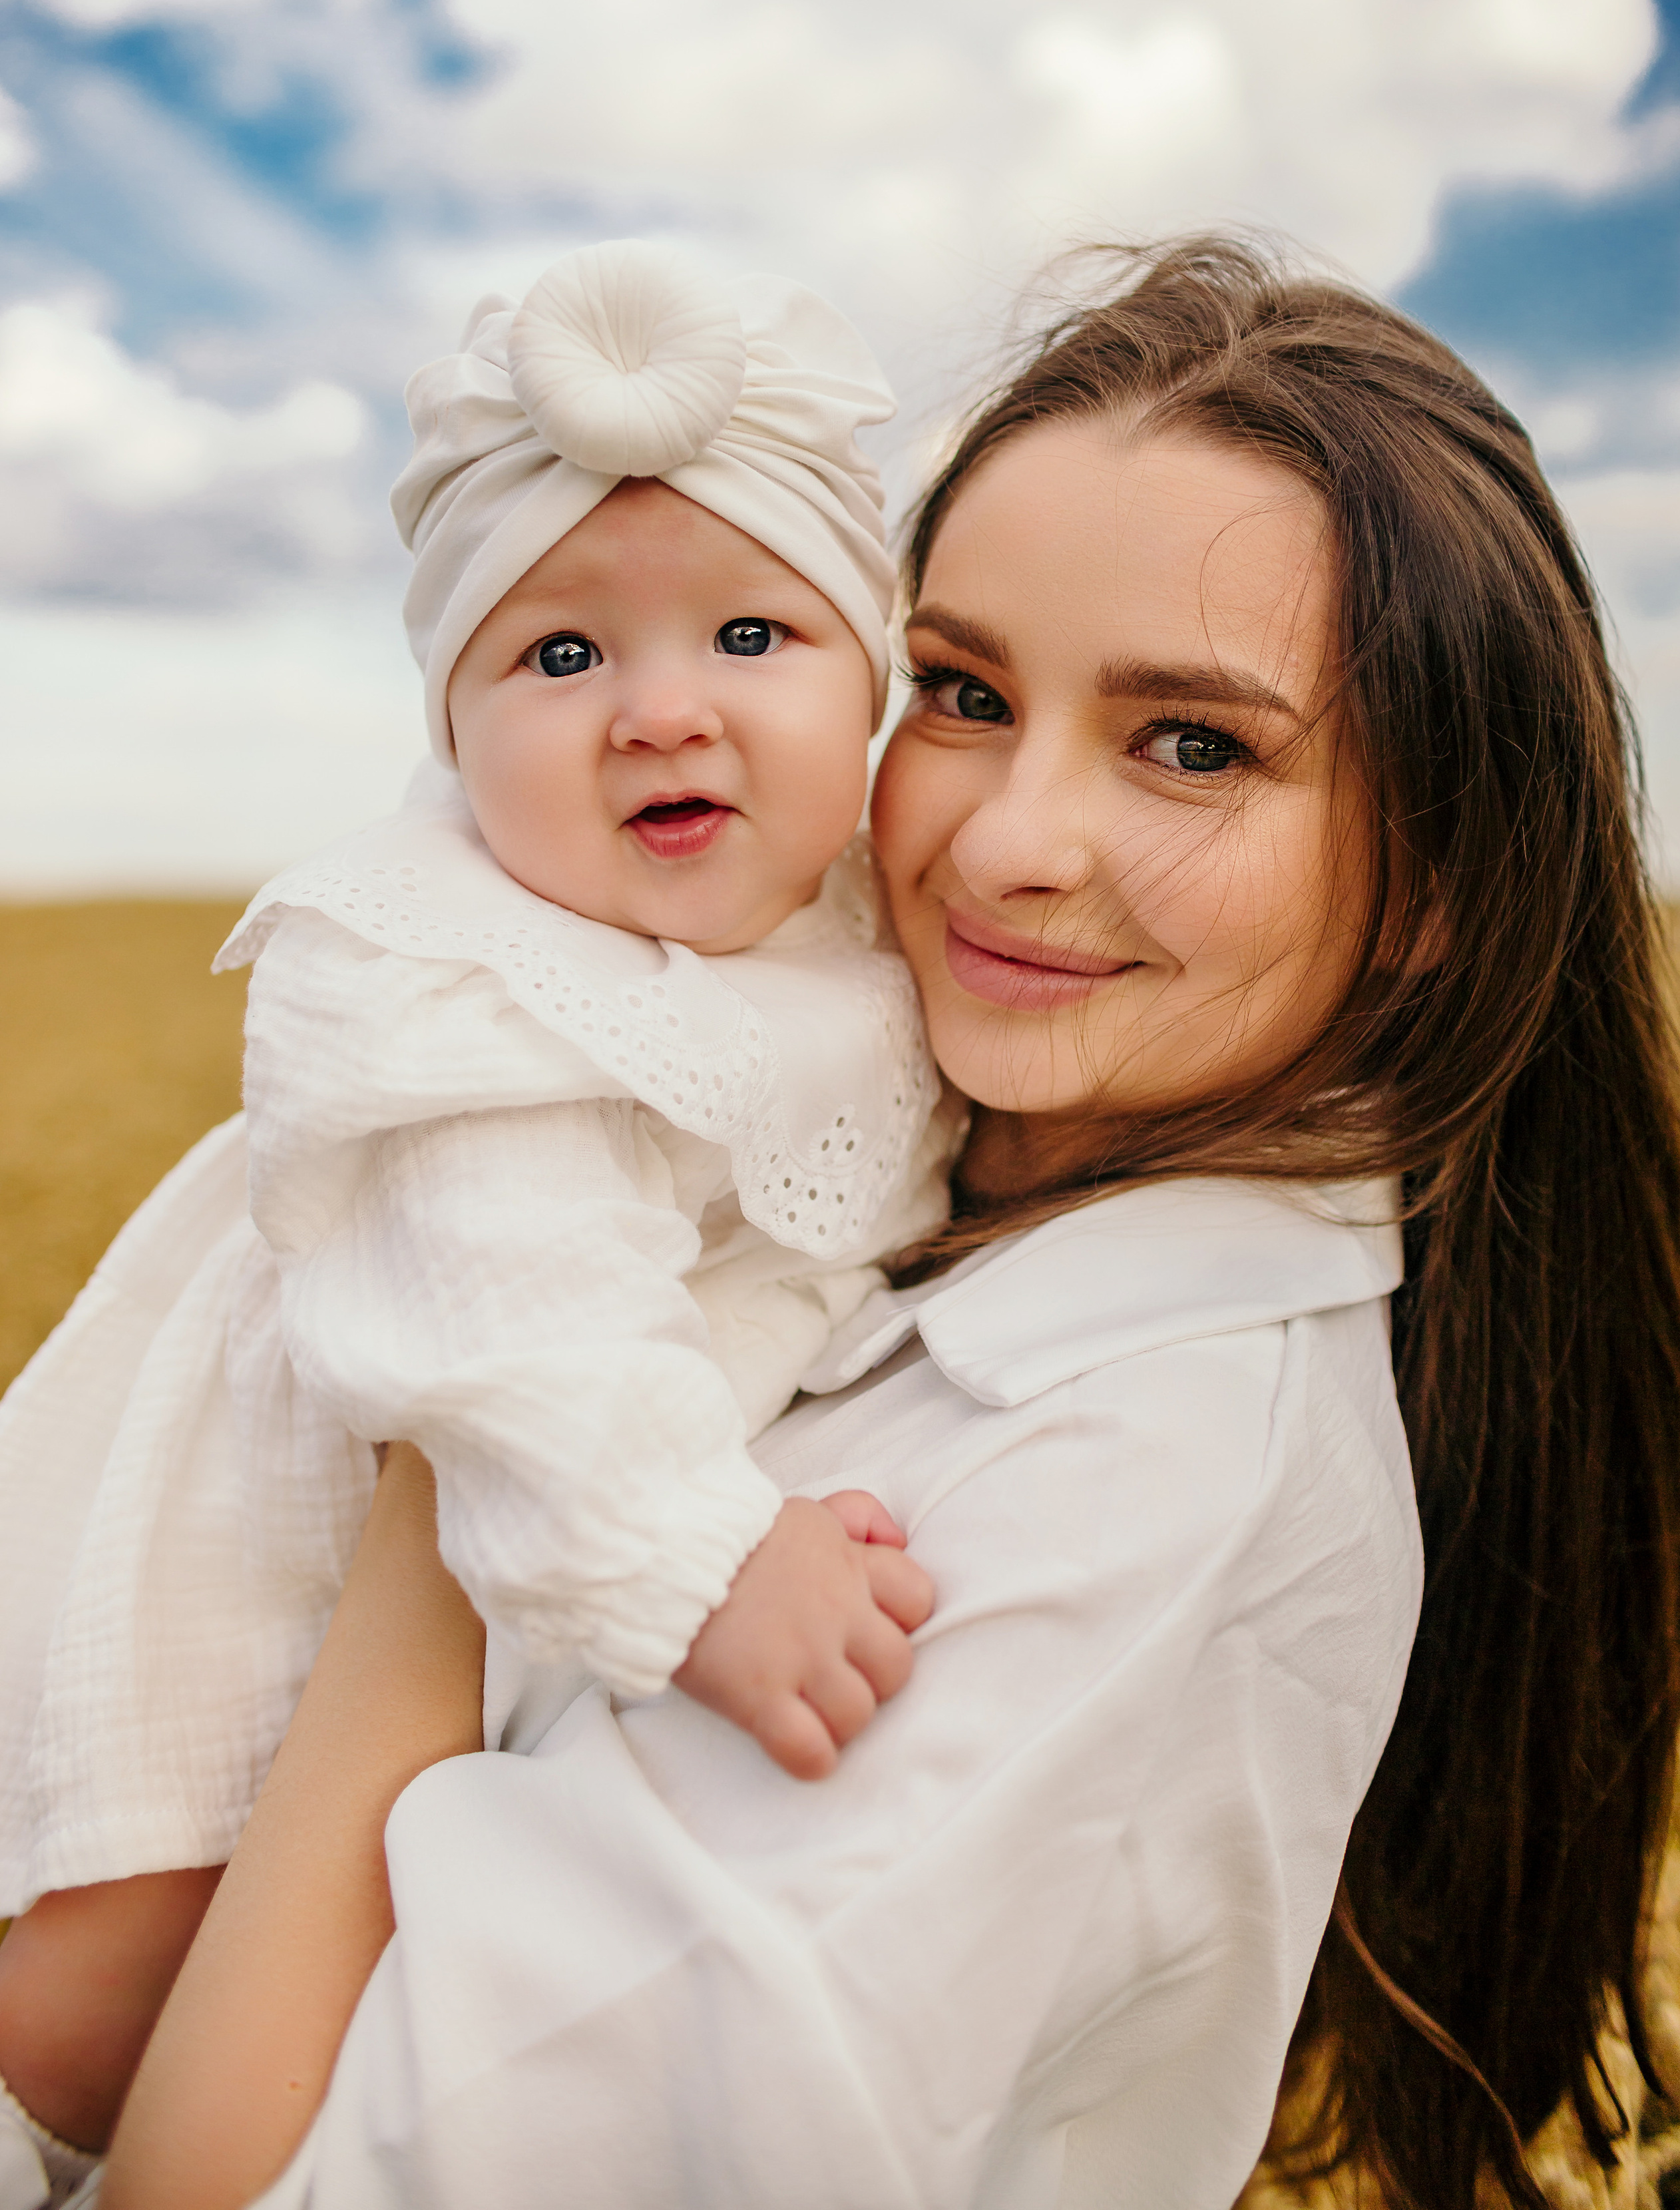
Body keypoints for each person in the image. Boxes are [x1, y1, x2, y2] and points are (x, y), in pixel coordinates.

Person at [89, 237, 1680, 2209]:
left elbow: (234, 2187)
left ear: (1444, 878)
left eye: (1193, 745)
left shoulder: (1134, 1499)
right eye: (960, 691)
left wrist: (452, 1453)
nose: (1007, 845)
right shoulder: (873, 1158)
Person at [0, 240, 960, 2203]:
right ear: (451, 731)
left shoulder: (861, 946)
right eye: (560, 655)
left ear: (876, 684)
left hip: (428, 1680)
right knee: (95, 1997)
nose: (659, 712)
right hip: (262, 1604)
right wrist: (700, 1564)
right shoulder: (455, 978)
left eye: (752, 638)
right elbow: (520, 1329)